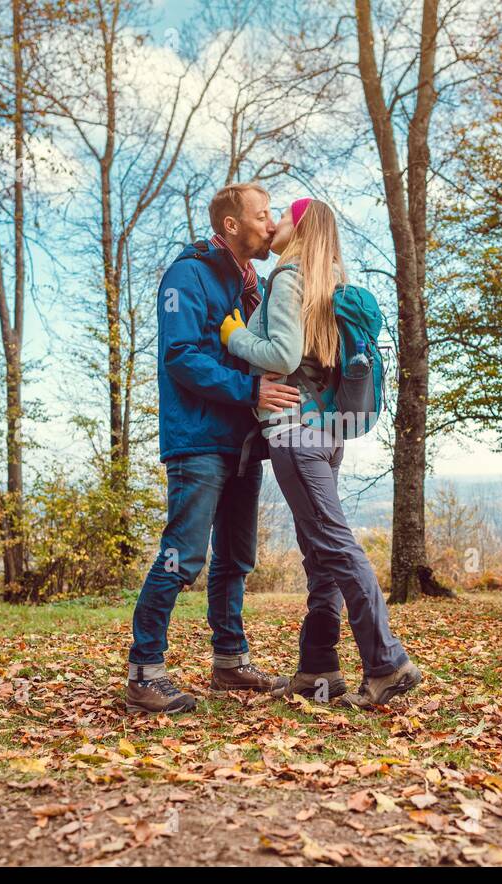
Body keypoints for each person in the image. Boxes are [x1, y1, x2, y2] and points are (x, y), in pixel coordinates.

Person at [219, 197, 422, 708]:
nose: (274, 225)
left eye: (283, 218)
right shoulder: (328, 284)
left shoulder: (290, 279)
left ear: (302, 228)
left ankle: (387, 662)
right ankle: (318, 669)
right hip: (327, 434)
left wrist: (236, 335)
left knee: (333, 545)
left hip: (296, 432)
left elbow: (282, 355)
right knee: (320, 554)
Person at [126, 183, 301, 714]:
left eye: (273, 215)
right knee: (183, 556)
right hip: (199, 439)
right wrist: (250, 390)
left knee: (236, 559)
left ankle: (229, 661)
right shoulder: (189, 274)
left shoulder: (250, 283)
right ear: (231, 225)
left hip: (244, 441)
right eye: (262, 214)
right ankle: (144, 670)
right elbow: (180, 355)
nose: (271, 224)